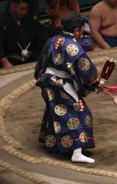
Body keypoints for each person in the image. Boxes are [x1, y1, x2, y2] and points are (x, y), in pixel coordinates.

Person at [34, 11, 100, 164]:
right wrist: (94, 83)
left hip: (47, 80)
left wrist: (40, 77)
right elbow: (85, 69)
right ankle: (76, 151)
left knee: (55, 109)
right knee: (80, 111)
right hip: (60, 82)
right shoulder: (73, 47)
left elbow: (41, 61)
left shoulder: (53, 39)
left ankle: (52, 143)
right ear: (78, 30)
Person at [0, 0, 45, 68]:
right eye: (21, 9)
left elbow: (39, 37)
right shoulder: (2, 20)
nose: (24, 12)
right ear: (12, 6)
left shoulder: (28, 19)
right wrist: (5, 61)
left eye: (26, 9)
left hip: (30, 58)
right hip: (9, 60)